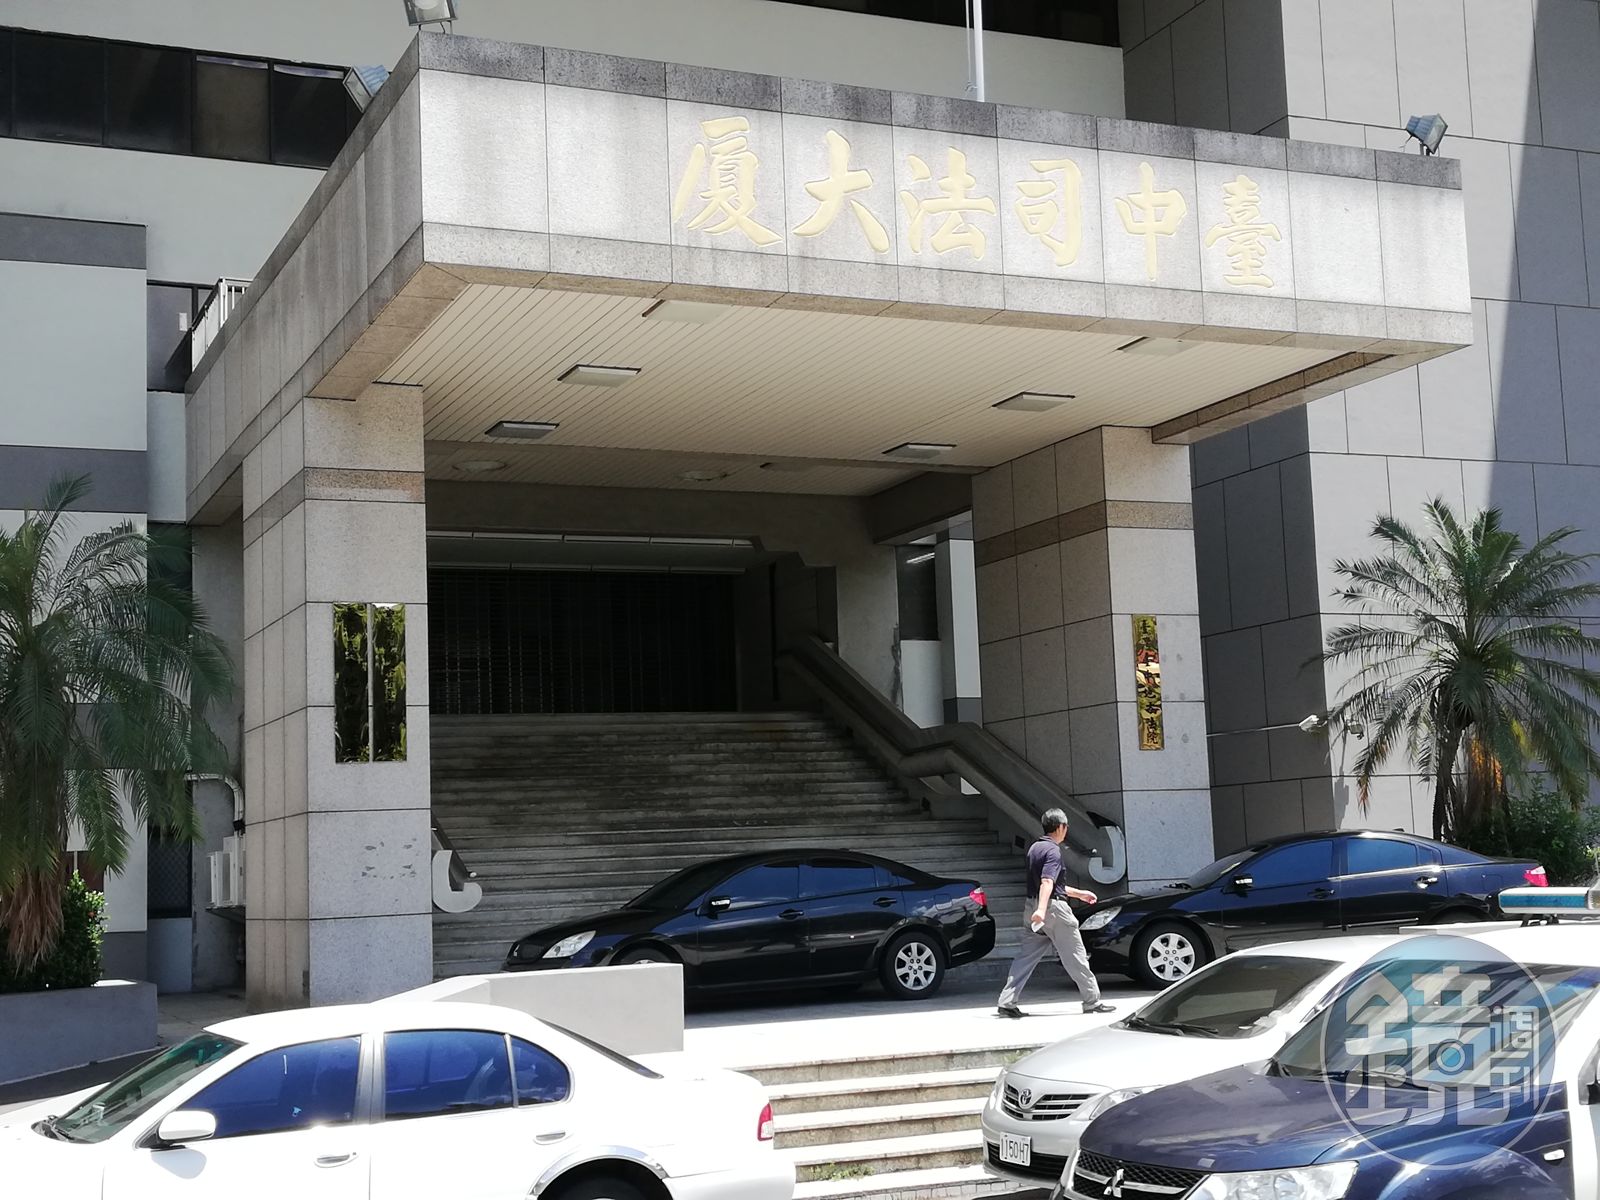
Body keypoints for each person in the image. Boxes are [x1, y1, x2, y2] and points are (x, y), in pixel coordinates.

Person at [997, 808, 1115, 1018]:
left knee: (1025, 958)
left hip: (1032, 906)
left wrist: (1078, 894)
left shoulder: (1035, 848)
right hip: (1053, 911)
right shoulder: (1053, 851)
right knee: (1076, 956)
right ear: (1060, 827)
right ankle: (1092, 1001)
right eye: (1066, 826)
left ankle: (1006, 1002)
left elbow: (1052, 885)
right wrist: (1042, 910)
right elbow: (1047, 882)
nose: (1066, 830)